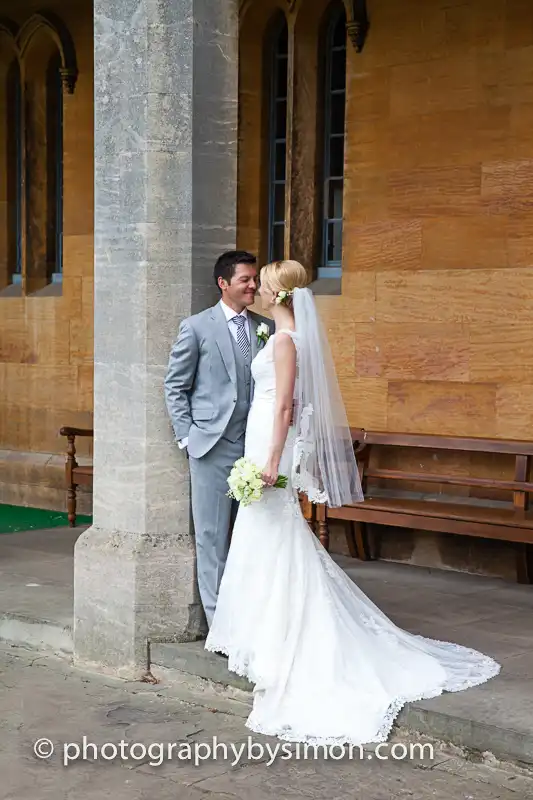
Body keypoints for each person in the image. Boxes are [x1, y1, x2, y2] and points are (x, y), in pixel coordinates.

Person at [205, 259, 500, 747]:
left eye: (263, 283)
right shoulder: (285, 339)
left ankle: (282, 642)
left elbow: (284, 406)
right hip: (264, 442)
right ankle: (265, 636)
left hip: (269, 447)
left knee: (273, 537)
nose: (255, 288)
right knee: (269, 537)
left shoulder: (282, 341)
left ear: (278, 294)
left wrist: (272, 461)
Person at [164, 251, 274, 628]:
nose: (253, 286)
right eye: (245, 279)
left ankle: (250, 617)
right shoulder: (196, 327)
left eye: (255, 278)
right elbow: (175, 385)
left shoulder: (266, 327)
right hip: (210, 447)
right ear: (223, 284)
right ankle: (220, 625)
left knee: (252, 536)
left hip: (255, 447)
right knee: (211, 537)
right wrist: (187, 438)